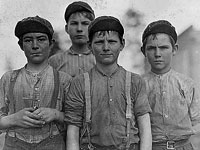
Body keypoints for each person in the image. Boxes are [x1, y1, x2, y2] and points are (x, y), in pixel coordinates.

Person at [65, 16, 152, 150]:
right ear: (90, 46)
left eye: (112, 41)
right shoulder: (79, 83)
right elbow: (73, 129)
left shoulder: (135, 81)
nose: (106, 47)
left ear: (122, 44)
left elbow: (145, 127)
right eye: (99, 42)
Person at [0, 16, 71, 150]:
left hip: (53, 144)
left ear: (51, 43)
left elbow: (76, 120)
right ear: (21, 45)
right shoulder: (8, 78)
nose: (35, 45)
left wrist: (55, 114)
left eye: (41, 39)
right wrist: (14, 119)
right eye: (28, 40)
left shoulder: (64, 80)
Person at [141, 20, 200, 150]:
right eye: (151, 48)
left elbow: (196, 121)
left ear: (174, 49)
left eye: (163, 48)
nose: (157, 54)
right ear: (144, 51)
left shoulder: (187, 84)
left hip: (183, 146)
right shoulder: (139, 85)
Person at [49, 1, 96, 77]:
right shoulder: (55, 61)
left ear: (92, 28)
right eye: (74, 23)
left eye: (85, 23)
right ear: (67, 28)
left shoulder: (100, 60)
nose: (79, 29)